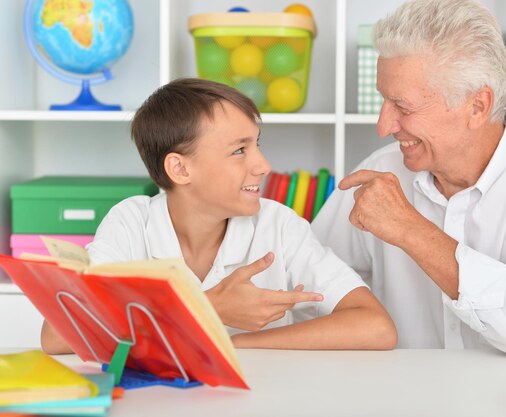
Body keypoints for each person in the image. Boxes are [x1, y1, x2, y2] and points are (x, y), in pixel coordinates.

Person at [312, 0, 506, 359]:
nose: (384, 126)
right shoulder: (382, 169)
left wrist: (410, 229)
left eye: (403, 107)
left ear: (477, 106)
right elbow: (310, 289)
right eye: (383, 102)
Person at [41, 78, 397, 353]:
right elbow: (57, 336)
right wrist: (209, 308)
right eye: (240, 150)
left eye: (258, 144)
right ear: (180, 169)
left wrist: (232, 344)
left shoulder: (278, 225)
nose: (263, 165)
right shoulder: (131, 224)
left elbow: (375, 327)